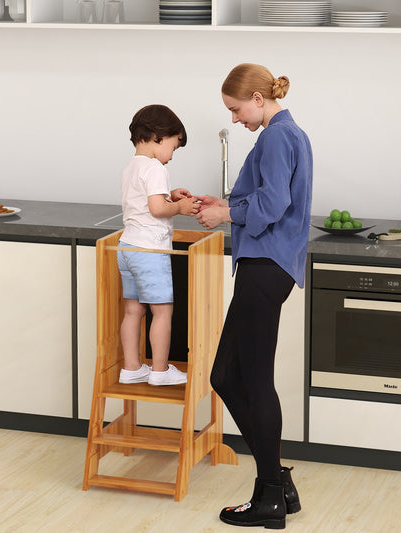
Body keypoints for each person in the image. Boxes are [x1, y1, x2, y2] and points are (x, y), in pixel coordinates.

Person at [195, 64, 313, 529]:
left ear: (258, 99)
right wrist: (222, 206)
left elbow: (272, 205)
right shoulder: (285, 134)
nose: (237, 118)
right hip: (267, 266)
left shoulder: (277, 137)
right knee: (226, 374)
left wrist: (226, 215)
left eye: (236, 109)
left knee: (253, 378)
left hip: (266, 266)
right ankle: (277, 481)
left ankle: (269, 497)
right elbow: (264, 198)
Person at [117, 104, 200, 386]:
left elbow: (145, 201)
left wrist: (171, 197)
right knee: (162, 311)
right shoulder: (155, 167)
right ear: (157, 136)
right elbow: (156, 208)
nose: (172, 157)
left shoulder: (131, 166)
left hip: (127, 247)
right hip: (150, 251)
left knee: (133, 310)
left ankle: (131, 368)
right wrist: (179, 207)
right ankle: (161, 371)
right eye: (174, 148)